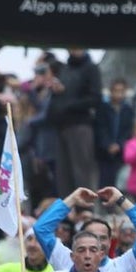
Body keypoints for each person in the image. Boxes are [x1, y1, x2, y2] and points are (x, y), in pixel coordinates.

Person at [34, 186, 136, 272]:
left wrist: (121, 199)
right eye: (91, 236)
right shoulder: (66, 261)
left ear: (110, 241)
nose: (97, 243)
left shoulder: (123, 266)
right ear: (79, 239)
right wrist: (72, 200)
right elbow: (41, 229)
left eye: (103, 238)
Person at [48, 48, 102, 195]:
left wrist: (69, 103)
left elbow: (95, 98)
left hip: (80, 125)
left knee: (82, 174)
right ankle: (68, 212)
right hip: (62, 126)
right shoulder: (65, 69)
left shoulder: (90, 68)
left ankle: (86, 211)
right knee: (63, 175)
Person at [94, 78, 135, 189]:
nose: (118, 94)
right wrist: (107, 144)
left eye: (121, 91)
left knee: (118, 182)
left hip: (120, 152)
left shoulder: (128, 110)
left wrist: (120, 144)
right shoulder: (103, 108)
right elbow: (100, 128)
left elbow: (128, 131)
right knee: (104, 181)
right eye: (116, 90)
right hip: (104, 151)